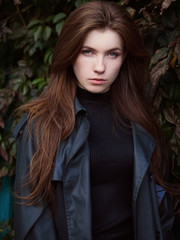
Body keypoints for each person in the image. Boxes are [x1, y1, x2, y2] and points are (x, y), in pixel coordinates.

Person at [13, 1, 177, 240]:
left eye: (113, 54)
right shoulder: (41, 124)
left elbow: (159, 201)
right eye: (87, 51)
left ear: (124, 58)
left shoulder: (139, 117)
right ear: (70, 53)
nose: (100, 67)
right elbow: (32, 224)